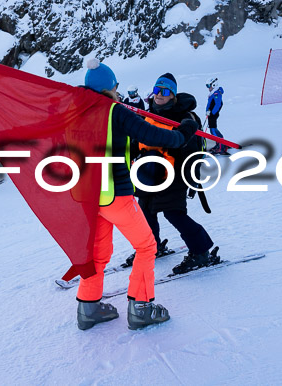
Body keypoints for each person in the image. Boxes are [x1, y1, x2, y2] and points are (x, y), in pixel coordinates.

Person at [75, 59, 199, 331]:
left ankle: (88, 307)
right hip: (115, 196)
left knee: (98, 252)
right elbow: (166, 139)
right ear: (110, 88)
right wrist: (188, 128)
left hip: (87, 198)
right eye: (116, 87)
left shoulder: (75, 111)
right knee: (146, 246)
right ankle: (141, 308)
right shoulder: (116, 112)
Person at [126, 73, 219, 275]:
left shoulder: (185, 118)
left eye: (165, 91)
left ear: (173, 95)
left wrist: (187, 178)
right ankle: (152, 246)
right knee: (146, 212)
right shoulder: (147, 115)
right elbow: (136, 141)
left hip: (173, 175)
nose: (160, 94)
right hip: (148, 174)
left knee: (174, 213)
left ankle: (201, 251)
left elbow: (190, 150)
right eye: (157, 90)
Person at [205, 77, 227, 155]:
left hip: (213, 115)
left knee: (213, 130)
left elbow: (218, 104)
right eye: (207, 86)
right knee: (214, 130)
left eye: (208, 86)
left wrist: (212, 113)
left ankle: (221, 147)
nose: (208, 88)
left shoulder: (216, 93)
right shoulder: (213, 92)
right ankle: (221, 144)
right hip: (211, 114)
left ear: (214, 84)